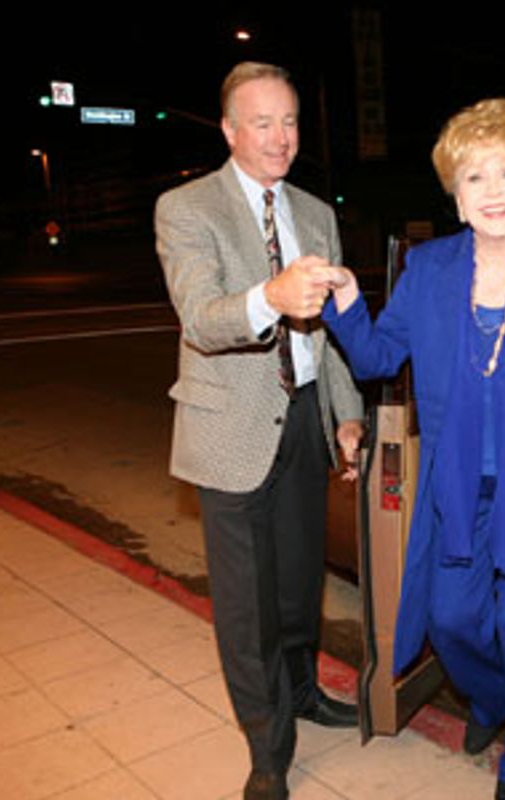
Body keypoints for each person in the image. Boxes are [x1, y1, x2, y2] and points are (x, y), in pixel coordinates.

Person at [321, 98, 505, 800]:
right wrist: (344, 301)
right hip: (456, 491)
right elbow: (374, 356)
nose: (493, 190)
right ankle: (492, 700)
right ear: (456, 198)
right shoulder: (427, 270)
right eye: (475, 177)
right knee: (450, 622)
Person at [154, 63, 364, 800]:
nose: (281, 138)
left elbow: (329, 334)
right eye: (264, 123)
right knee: (247, 606)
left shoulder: (315, 210)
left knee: (300, 583)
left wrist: (345, 415)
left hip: (304, 416)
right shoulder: (186, 208)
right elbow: (202, 318)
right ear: (230, 130)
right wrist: (270, 296)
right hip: (230, 425)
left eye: (291, 122)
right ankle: (267, 745)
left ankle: (303, 693)